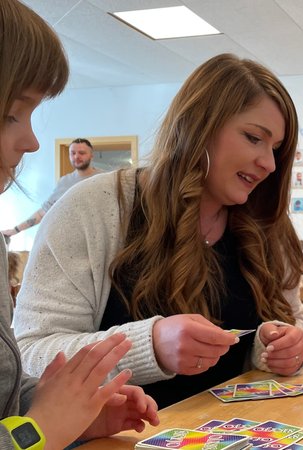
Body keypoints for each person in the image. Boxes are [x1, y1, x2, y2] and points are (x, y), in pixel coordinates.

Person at [13, 53, 303, 408]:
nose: (269, 164)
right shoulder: (92, 208)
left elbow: (293, 321)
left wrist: (280, 347)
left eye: (276, 149)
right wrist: (148, 345)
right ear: (200, 125)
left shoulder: (267, 224)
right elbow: (30, 356)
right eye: (253, 138)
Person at [0, 1, 158, 448]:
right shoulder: (80, 197)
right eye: (13, 113)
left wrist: (73, 417)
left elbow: (6, 403)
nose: (31, 141)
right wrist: (42, 429)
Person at [2, 137, 101, 237]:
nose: (76, 157)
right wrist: (14, 230)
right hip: (74, 240)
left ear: (91, 155)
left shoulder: (104, 178)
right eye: (73, 153)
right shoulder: (65, 182)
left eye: (82, 153)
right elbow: (44, 212)